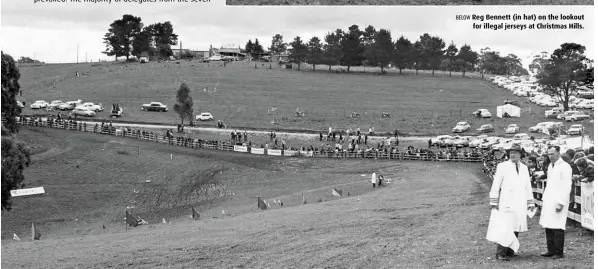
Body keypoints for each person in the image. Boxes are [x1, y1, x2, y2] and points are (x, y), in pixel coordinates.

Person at [487, 144, 535, 261]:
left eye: (515, 152)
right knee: (505, 227)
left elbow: (527, 186)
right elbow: (496, 184)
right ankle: (501, 253)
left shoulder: (524, 168)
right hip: (506, 201)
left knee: (516, 226)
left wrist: (530, 203)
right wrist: (494, 200)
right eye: (511, 152)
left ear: (520, 155)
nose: (513, 154)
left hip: (520, 202)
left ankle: (510, 251)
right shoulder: (502, 166)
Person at [539, 146, 572, 259]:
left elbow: (567, 186)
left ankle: (559, 252)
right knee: (548, 225)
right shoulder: (550, 166)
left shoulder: (565, 166)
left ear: (558, 153)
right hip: (549, 199)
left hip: (558, 200)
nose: (550, 156)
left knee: (557, 226)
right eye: (549, 154)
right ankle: (551, 250)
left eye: (553, 153)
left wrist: (561, 202)